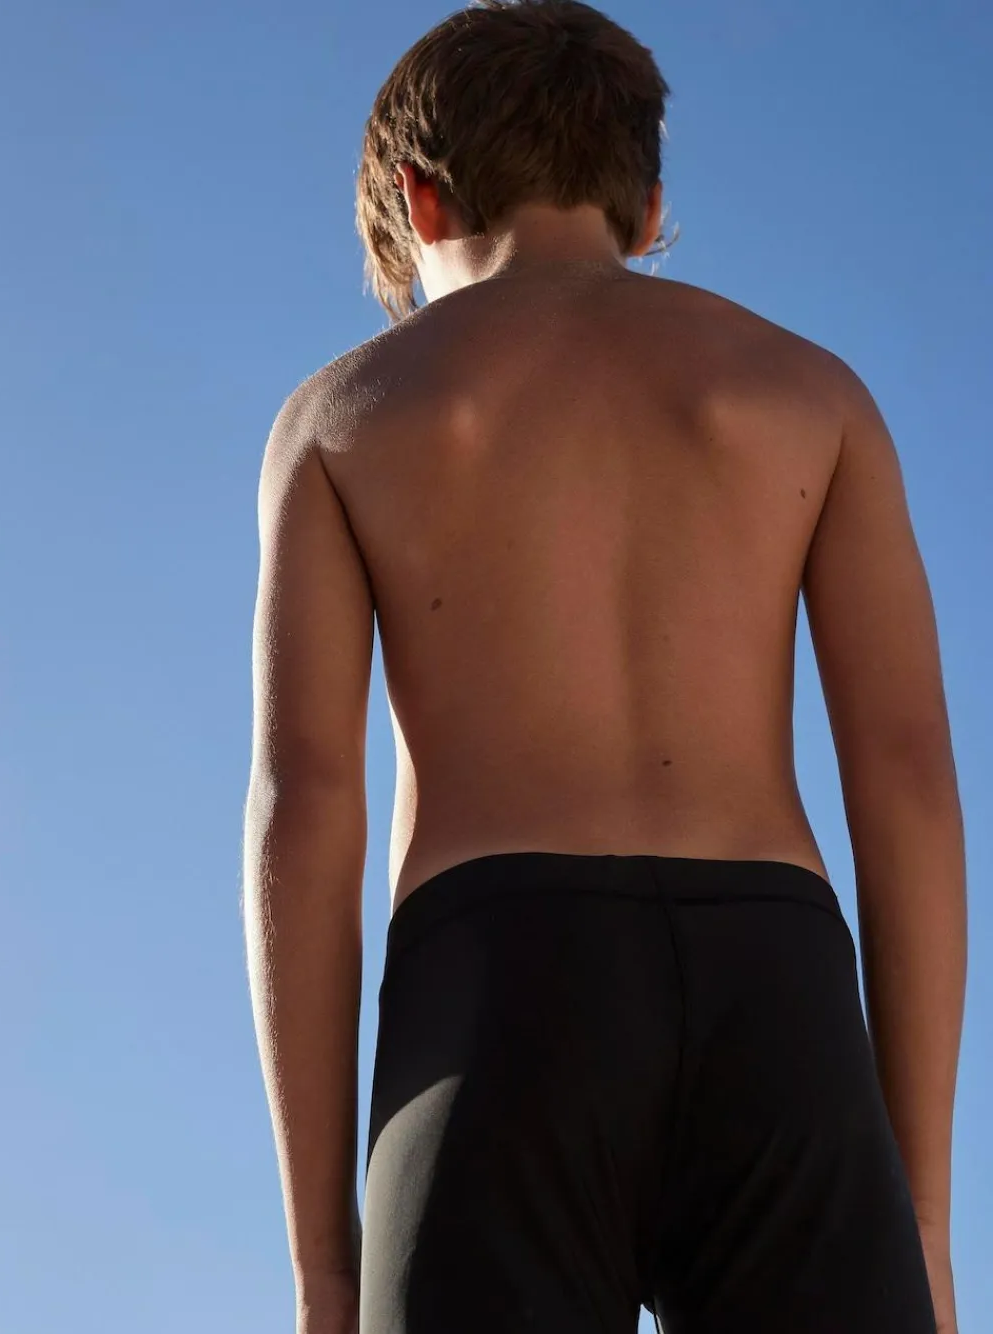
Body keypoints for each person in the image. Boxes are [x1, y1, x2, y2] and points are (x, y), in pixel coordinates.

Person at [241, 3, 967, 1331]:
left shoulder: (345, 417)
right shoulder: (810, 394)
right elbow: (910, 781)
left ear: (417, 198)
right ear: (647, 210)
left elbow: (306, 808)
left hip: (496, 993)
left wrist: (324, 1263)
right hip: (780, 992)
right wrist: (919, 1212)